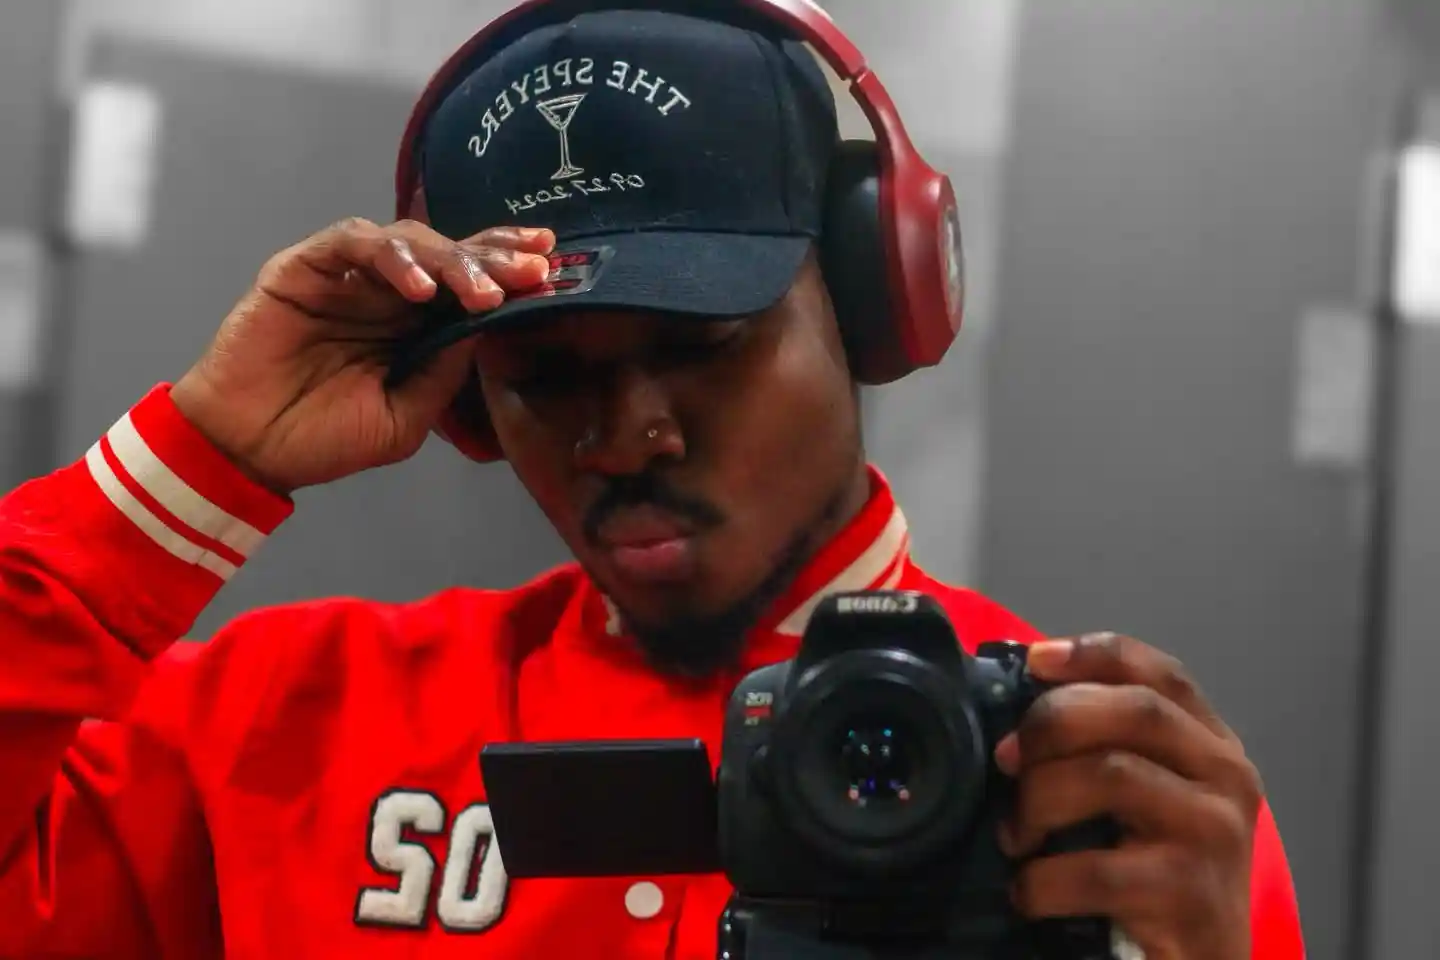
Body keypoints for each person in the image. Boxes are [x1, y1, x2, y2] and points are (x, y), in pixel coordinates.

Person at [0, 4, 1304, 959]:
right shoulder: (277, 732)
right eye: (544, 375)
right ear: (470, 398)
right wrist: (195, 459)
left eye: (702, 346)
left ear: (870, 302)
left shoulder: (1090, 783)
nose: (626, 437)